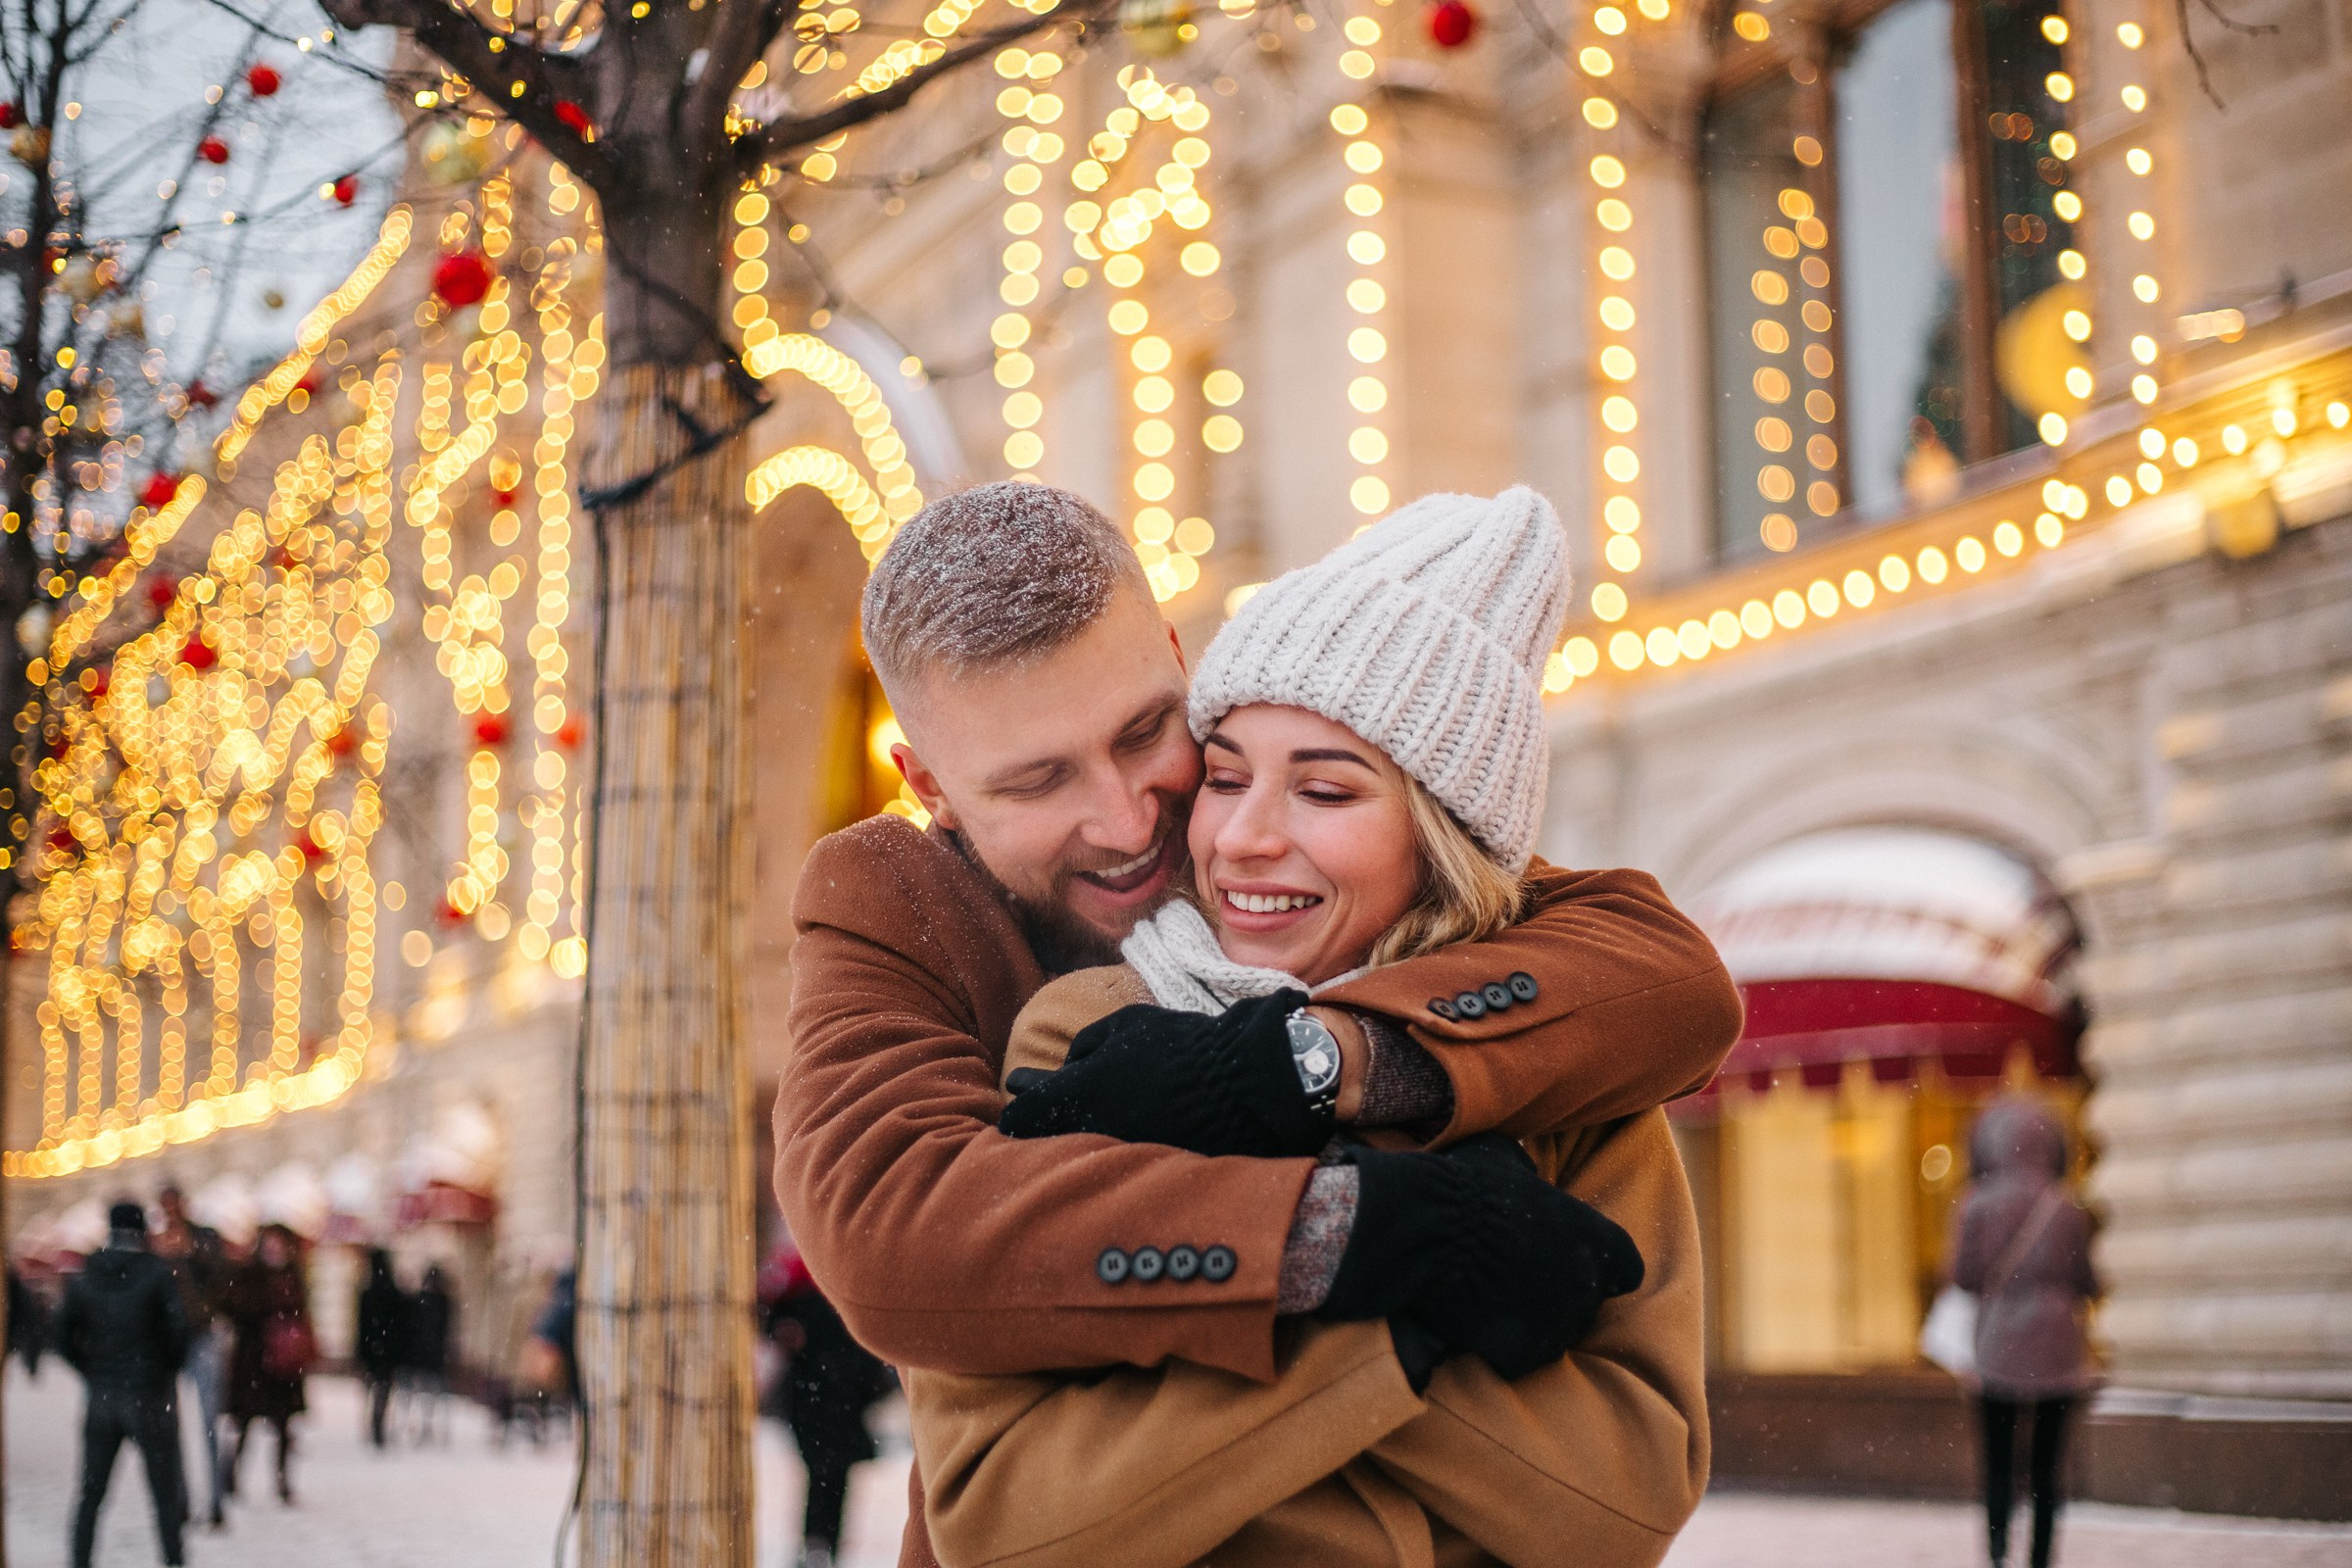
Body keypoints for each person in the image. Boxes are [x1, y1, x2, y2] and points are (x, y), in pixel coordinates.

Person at [775, 483, 1743, 1566]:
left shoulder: (1278, 792)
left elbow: (1660, 972)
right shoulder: (907, 911)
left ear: (1183, 665)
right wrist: (1359, 1240)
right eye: (1040, 780)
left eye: (1147, 732)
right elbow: (900, 1239)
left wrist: (1317, 1066)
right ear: (930, 785)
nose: (1132, 817)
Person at [1953, 1097, 2100, 1568]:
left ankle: (1997, 1553)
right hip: (2060, 1350)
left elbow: (1964, 1276)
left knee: (1997, 1463)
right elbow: (2088, 1282)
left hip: (1997, 1347)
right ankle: (2041, 1557)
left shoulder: (1978, 1202)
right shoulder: (2066, 1205)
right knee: (2047, 1466)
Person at [55, 1200, 189, 1568]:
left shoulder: (86, 1273)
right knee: (163, 1494)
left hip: (102, 1396)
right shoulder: (157, 1274)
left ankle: (79, 1561)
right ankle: (173, 1560)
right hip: (148, 1393)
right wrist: (162, 1368)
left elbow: (61, 1334)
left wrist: (91, 1369)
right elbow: (179, 1331)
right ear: (141, 1228)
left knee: (90, 1493)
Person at [762, 1245, 892, 1568]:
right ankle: (820, 1547)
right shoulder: (804, 1279)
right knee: (825, 1474)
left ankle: (821, 1547)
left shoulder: (826, 1280)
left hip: (833, 1396)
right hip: (822, 1397)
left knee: (829, 1475)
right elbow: (767, 1315)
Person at [149, 1184, 229, 1529]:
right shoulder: (154, 1245)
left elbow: (222, 1278)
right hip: (168, 1342)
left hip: (202, 1336)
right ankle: (180, 1499)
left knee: (210, 1422)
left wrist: (191, 1252)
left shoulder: (204, 1238)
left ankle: (214, 1500)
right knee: (171, 1425)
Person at [222, 1223, 312, 1505]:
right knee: (246, 1423)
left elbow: (302, 1310)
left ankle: (283, 1481)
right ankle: (233, 1477)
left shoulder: (293, 1274)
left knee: (284, 1425)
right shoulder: (249, 1274)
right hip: (254, 1361)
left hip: (283, 1365)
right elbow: (235, 1309)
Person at [399, 1263, 456, 1446]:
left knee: (418, 1391)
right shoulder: (443, 1301)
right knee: (434, 1392)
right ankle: (428, 1426)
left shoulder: (420, 1301)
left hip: (422, 1352)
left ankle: (419, 1426)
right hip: (434, 1352)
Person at [354, 1250, 405, 1449]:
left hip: (372, 1350)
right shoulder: (394, 1293)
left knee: (371, 1389)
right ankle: (378, 1423)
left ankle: (373, 1423)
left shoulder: (368, 1293)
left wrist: (361, 1351)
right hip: (388, 1351)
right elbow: (402, 1326)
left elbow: (361, 1326)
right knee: (383, 1390)